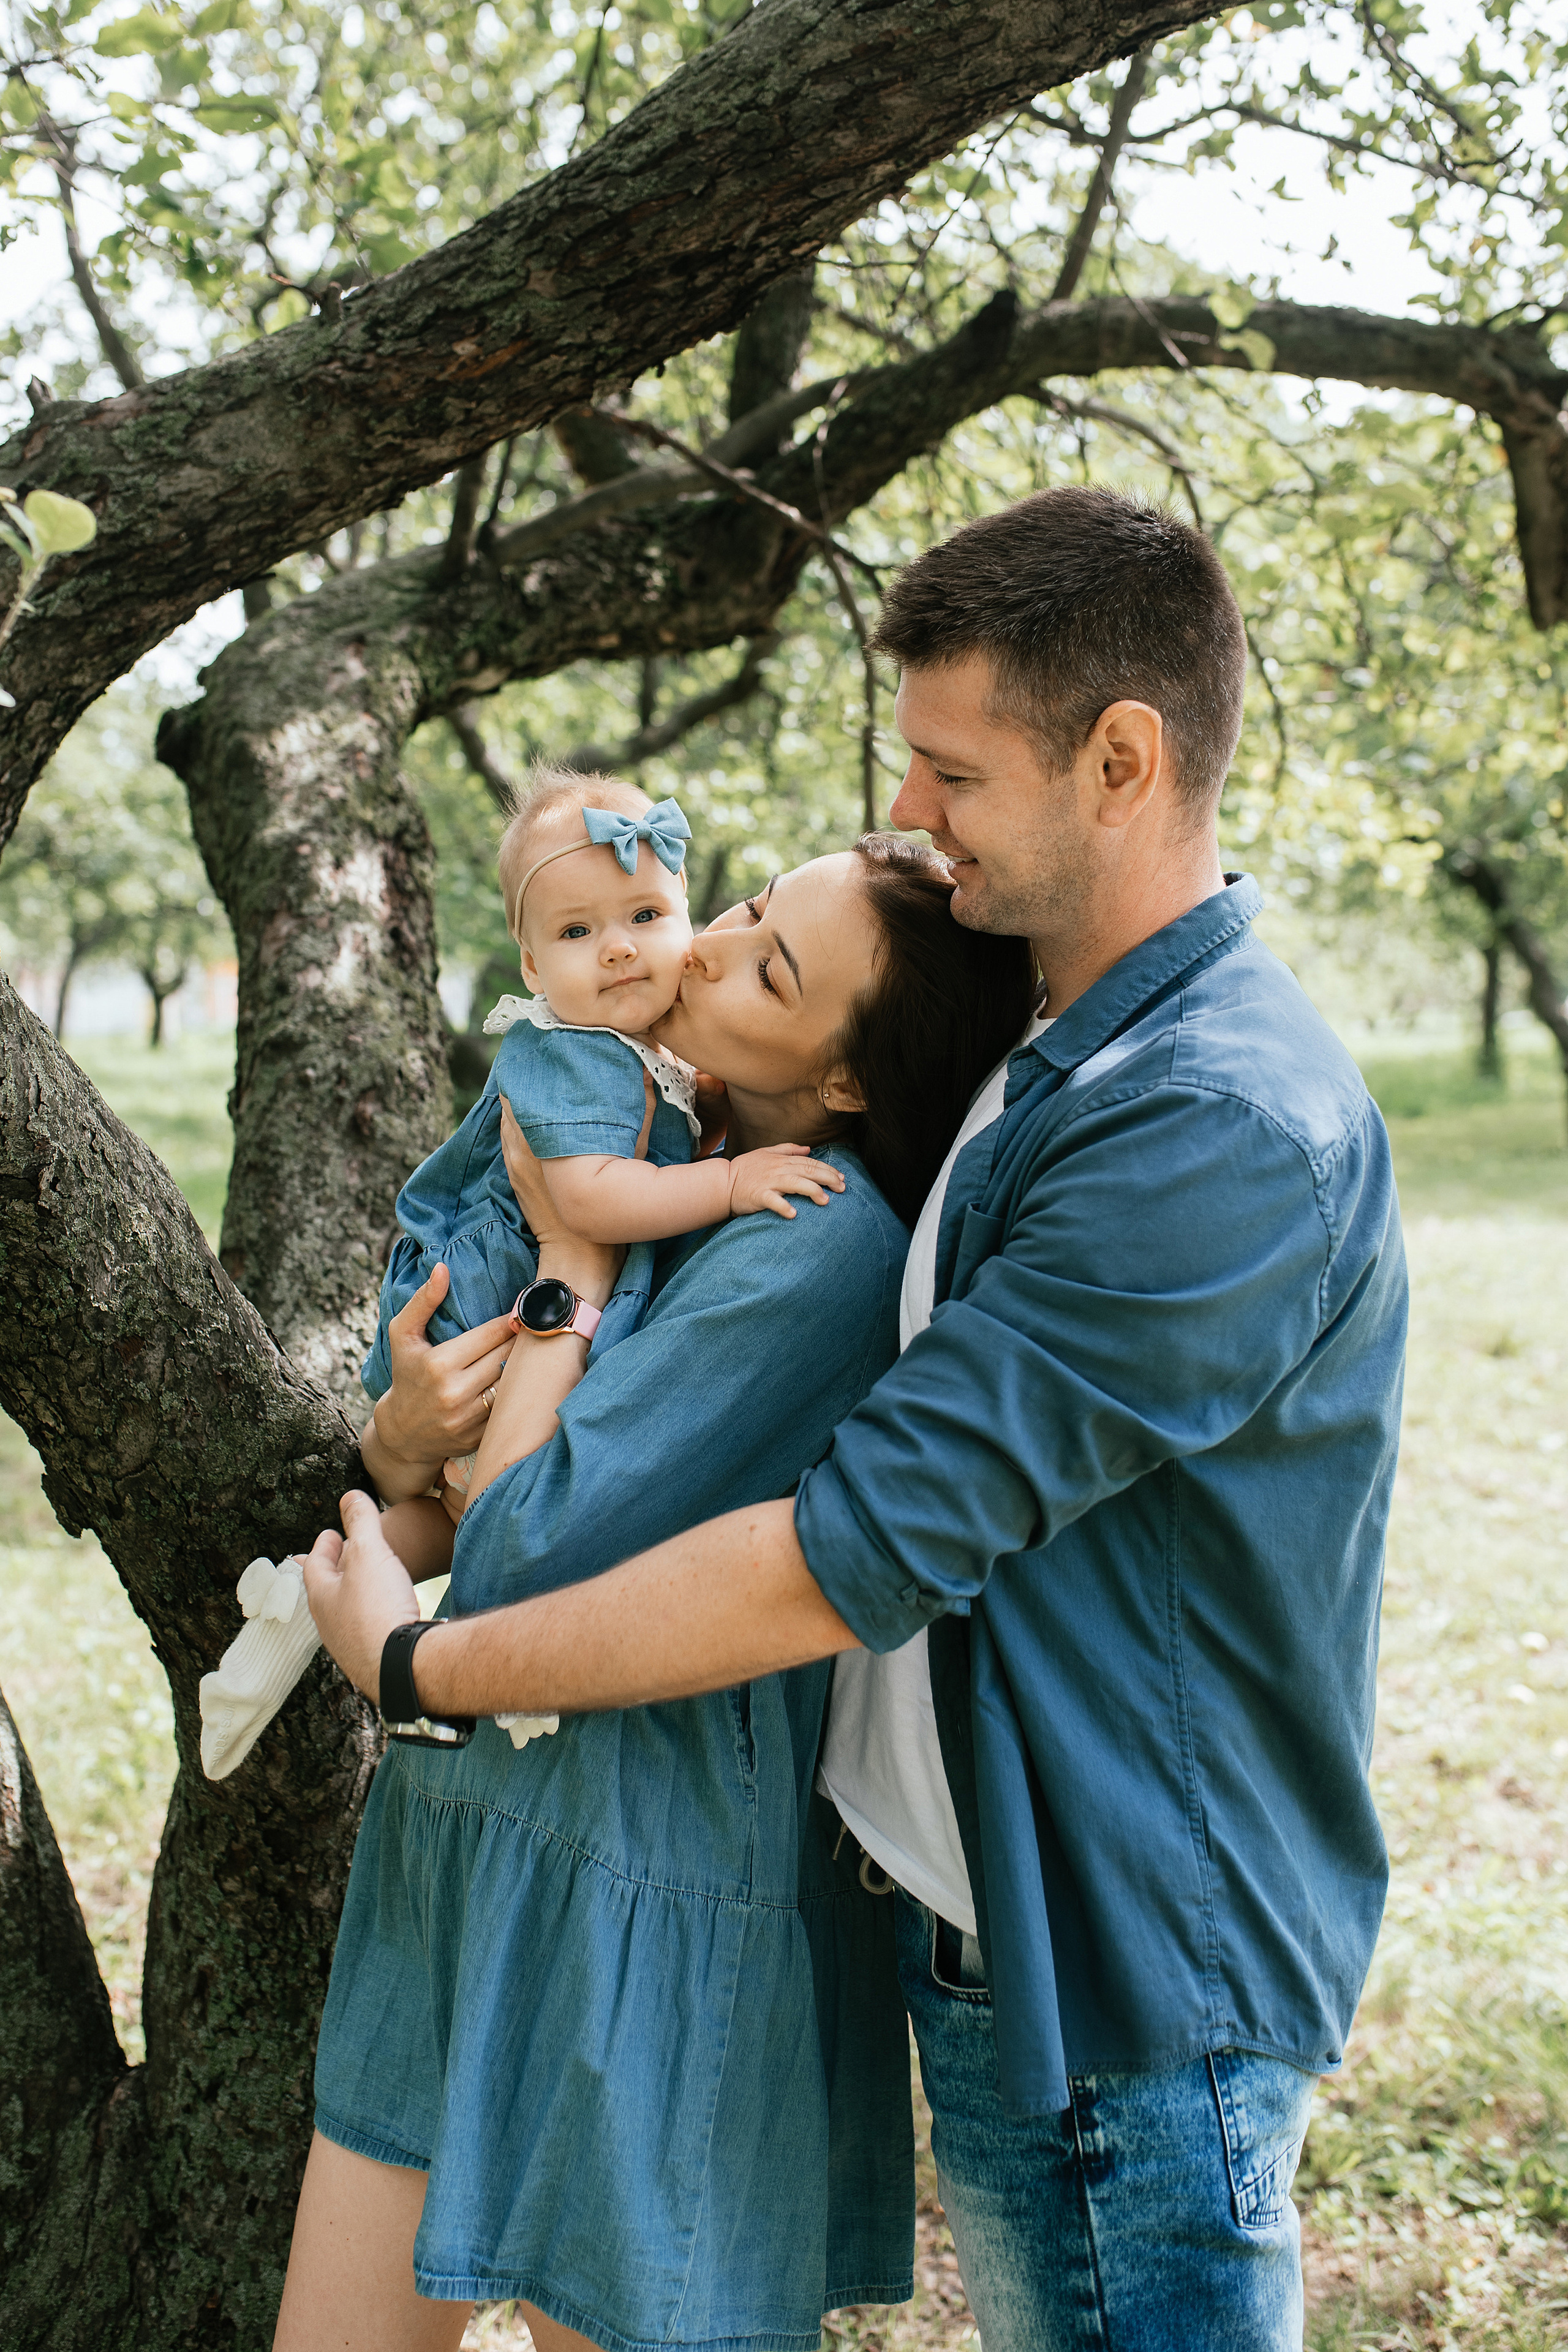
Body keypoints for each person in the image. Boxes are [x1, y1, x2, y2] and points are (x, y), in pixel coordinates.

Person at [307, 486, 1410, 2352]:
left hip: (1125, 1982)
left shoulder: (1209, 1118)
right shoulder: (1053, 1052)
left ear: (1121, 761)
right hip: (978, 1939)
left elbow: (848, 1551)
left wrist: (425, 1669)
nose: (909, 806)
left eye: (953, 772)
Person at [276, 834, 1039, 2352]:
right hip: (466, 1830)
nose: (704, 948)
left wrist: (566, 1262)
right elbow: (425, 1458)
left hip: (638, 1872)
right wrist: (403, 1433)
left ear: (843, 1081)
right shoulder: (639, 1125)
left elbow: (520, 1542)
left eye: (771, 969)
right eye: (745, 907)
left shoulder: (816, 1241)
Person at [197, 766, 839, 1781]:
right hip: (484, 1305)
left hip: (500, 1323)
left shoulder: (650, 1054)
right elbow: (587, 1201)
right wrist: (726, 1183)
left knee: (455, 1519)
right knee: (507, 1493)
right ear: (533, 966)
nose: (619, 947)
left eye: (645, 915)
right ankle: (497, 1654)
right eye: (578, 933)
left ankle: (308, 1596)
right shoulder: (576, 1050)